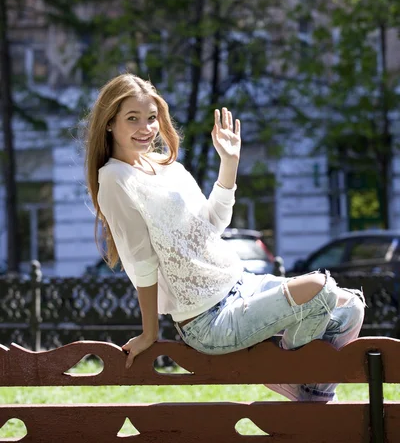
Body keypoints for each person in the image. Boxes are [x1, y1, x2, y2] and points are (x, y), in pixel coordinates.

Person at [85, 72, 365, 402]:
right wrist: (150, 333)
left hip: (239, 284)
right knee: (318, 290)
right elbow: (142, 262)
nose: (146, 128)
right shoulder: (114, 179)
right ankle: (302, 388)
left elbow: (212, 223)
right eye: (133, 119)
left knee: (352, 307)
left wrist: (229, 162)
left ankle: (307, 392)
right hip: (207, 319)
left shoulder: (166, 166)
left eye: (151, 118)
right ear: (109, 123)